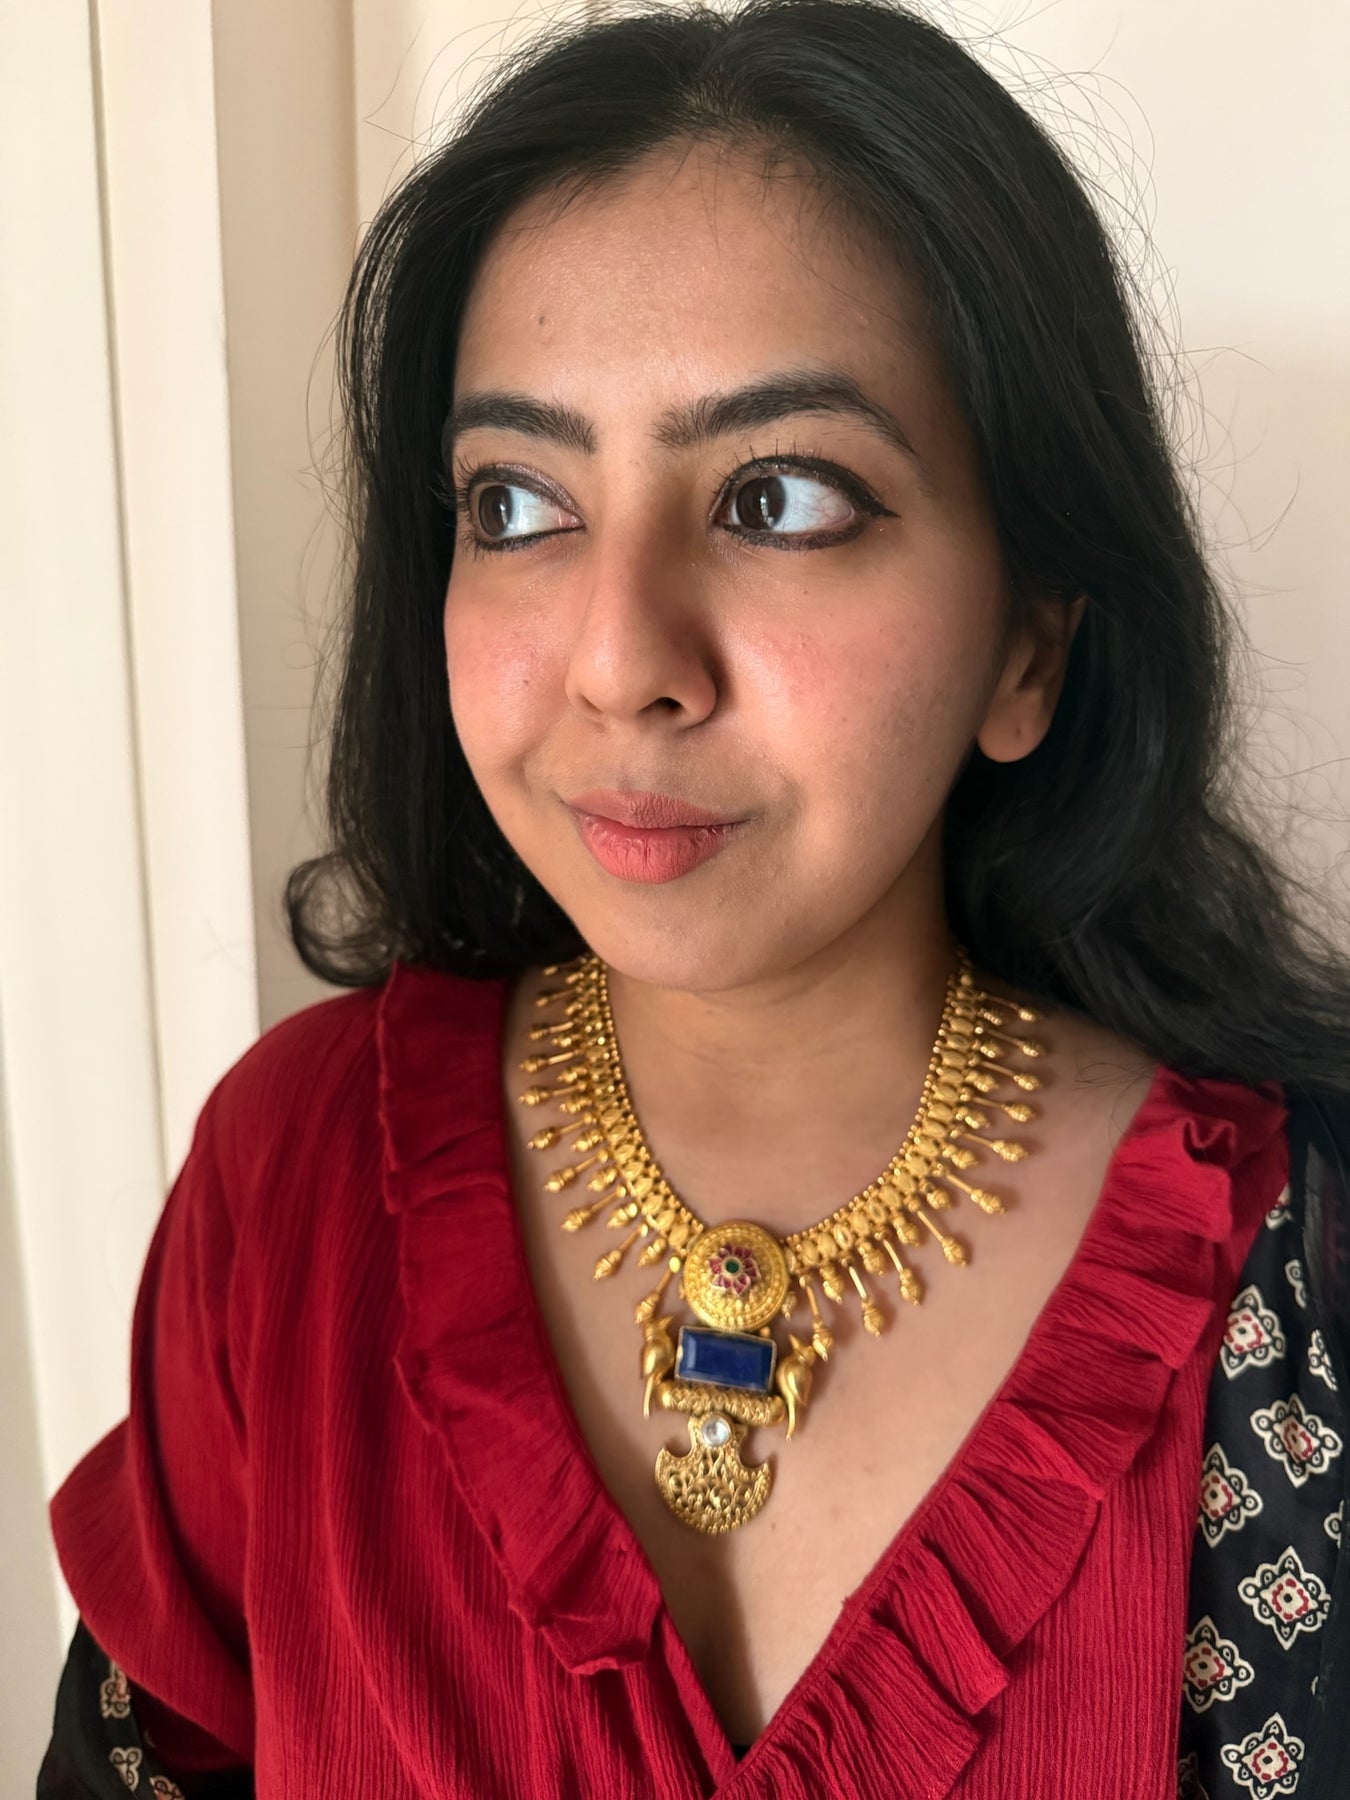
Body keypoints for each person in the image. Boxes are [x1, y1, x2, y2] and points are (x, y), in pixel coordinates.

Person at [37, 1, 1350, 1794]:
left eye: (779, 498)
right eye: (516, 504)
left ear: (1027, 643)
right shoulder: (292, 1186)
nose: (618, 661)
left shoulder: (1301, 1285)